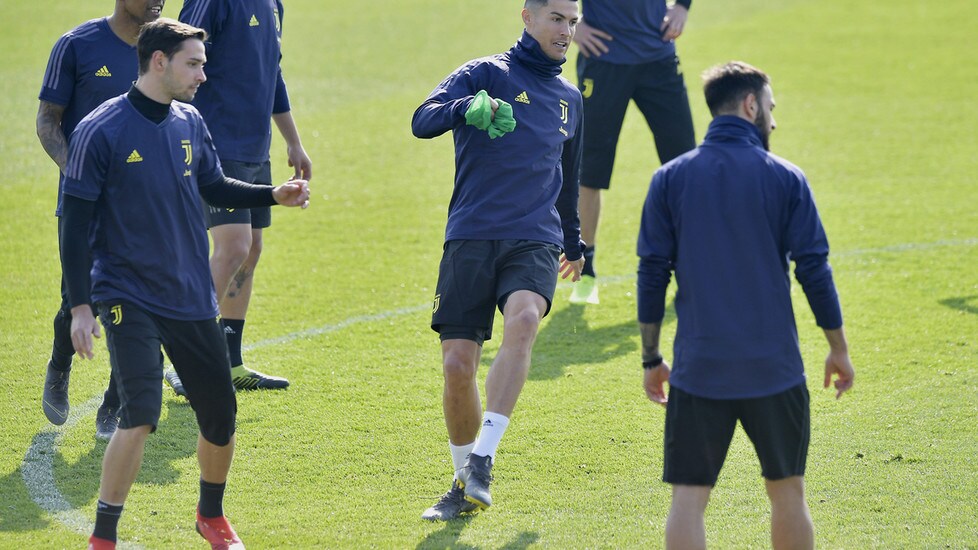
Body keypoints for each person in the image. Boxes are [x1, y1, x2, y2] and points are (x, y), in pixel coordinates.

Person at [59, 19, 310, 549]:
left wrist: (272, 194)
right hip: (126, 293)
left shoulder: (190, 121)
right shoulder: (100, 129)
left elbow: (213, 184)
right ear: (159, 62)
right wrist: (81, 307)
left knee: (220, 415)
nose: (203, 74)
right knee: (140, 414)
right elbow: (74, 226)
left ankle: (210, 516)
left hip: (190, 292)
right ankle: (103, 537)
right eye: (193, 64)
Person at [636, 61, 855, 549]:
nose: (774, 121)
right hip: (774, 369)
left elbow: (651, 275)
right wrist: (838, 348)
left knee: (688, 500)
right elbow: (814, 270)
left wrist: (652, 358)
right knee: (788, 493)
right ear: (751, 105)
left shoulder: (669, 179)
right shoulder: (786, 178)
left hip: (699, 369)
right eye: (771, 108)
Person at [411, 0, 586, 522]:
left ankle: (483, 458)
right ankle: (462, 481)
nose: (566, 31)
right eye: (557, 19)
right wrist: (467, 108)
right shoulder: (485, 73)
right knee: (457, 366)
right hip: (471, 233)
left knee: (525, 319)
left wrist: (574, 242)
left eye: (573, 22)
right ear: (527, 17)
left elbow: (568, 179)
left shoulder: (570, 99)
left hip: (534, 237)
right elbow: (422, 120)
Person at [162, 0, 313, 393]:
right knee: (234, 247)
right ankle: (185, 361)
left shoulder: (273, 4)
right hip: (215, 142)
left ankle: (230, 362)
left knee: (250, 250)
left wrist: (293, 141)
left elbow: (272, 72)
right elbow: (179, 56)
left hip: (254, 147)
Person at [37, 0, 166, 440]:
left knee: (138, 309)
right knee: (79, 301)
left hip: (144, 206)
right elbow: (47, 121)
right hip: (85, 206)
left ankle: (113, 405)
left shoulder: (165, 48)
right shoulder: (76, 45)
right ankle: (60, 365)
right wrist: (79, 174)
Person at [568, 0, 696, 305]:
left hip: (659, 57)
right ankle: (586, 271)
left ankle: (691, 267)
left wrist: (682, 6)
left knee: (686, 167)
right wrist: (573, 26)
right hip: (603, 60)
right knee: (590, 171)